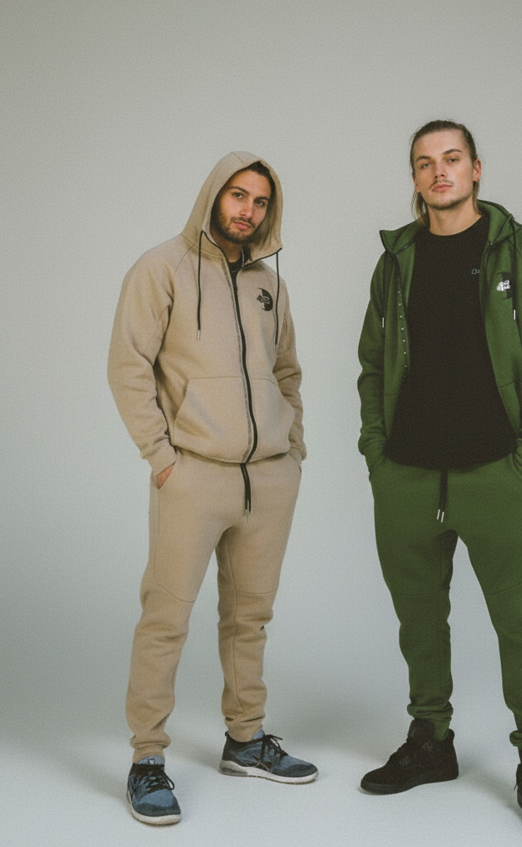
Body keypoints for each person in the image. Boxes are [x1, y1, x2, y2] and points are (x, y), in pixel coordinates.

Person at [357, 120, 522, 837]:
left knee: (519, 620)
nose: (438, 172)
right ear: (414, 178)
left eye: (451, 159)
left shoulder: (520, 252)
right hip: (409, 475)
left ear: (477, 169)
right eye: (425, 163)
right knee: (418, 620)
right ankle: (431, 742)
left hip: (496, 472)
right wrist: (377, 455)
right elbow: (372, 365)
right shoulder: (397, 262)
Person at [108, 152, 317, 826]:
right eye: (237, 195)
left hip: (269, 479)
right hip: (193, 476)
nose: (247, 210)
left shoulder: (268, 286)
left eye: (259, 201)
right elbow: (128, 365)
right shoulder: (160, 268)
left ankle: (246, 737)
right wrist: (163, 458)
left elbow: (288, 371)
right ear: (214, 195)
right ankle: (146, 757)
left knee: (249, 617)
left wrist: (294, 450)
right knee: (166, 616)